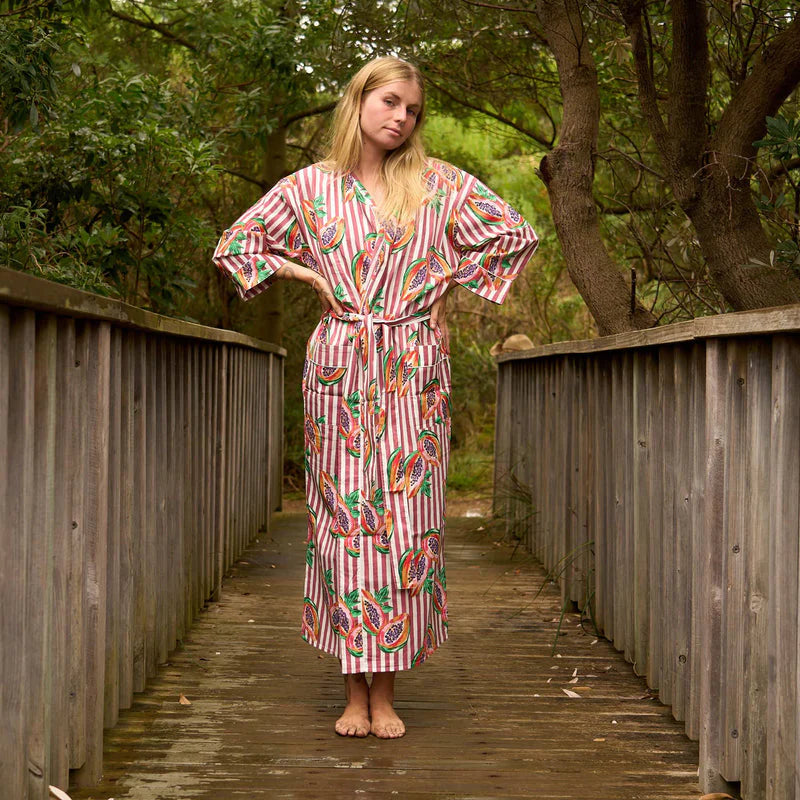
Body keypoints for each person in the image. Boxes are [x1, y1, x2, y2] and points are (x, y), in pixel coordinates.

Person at [213, 55, 539, 739]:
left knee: (406, 523)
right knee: (342, 522)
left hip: (413, 364)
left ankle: (385, 690)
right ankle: (351, 690)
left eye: (412, 110)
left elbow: (516, 235)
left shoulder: (438, 183)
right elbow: (236, 246)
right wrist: (303, 272)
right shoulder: (309, 186)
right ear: (358, 99)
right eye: (390, 101)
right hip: (339, 366)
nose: (401, 117)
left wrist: (447, 283)